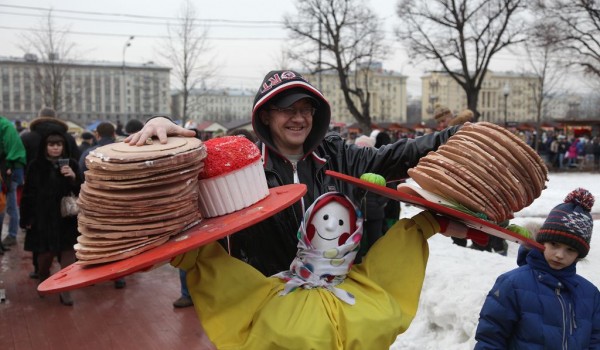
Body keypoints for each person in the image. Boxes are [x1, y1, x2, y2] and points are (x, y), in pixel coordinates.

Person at [126, 70, 461, 347]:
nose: (299, 118)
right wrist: (161, 121)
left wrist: (460, 134)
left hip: (339, 316)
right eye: (288, 109)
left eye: (306, 109)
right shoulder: (241, 166)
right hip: (272, 317)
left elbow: (404, 154)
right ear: (267, 115)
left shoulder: (341, 157)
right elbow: (184, 159)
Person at [171, 191, 483, 349]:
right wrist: (179, 249)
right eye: (324, 219)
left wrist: (441, 223)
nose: (332, 226)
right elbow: (225, 278)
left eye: (341, 222)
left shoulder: (367, 289)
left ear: (354, 233)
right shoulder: (270, 297)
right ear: (307, 227)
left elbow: (402, 245)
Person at [474, 188, 600, 348]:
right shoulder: (513, 284)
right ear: (542, 242)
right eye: (554, 244)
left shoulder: (590, 294)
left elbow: (596, 341)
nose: (560, 255)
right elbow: (491, 339)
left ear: (579, 255)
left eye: (570, 249)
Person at [19, 131, 82, 306]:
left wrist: (73, 177)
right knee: (45, 256)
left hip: (66, 217)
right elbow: (28, 193)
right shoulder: (35, 165)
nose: (55, 148)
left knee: (68, 254)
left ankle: (65, 290)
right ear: (45, 147)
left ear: (64, 146)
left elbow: (82, 191)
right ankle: (43, 276)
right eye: (51, 144)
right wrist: (27, 218)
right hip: (43, 217)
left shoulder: (72, 164)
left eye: (59, 144)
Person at [78, 122, 126, 289]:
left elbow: (81, 177)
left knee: (95, 238)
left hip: (94, 203)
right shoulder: (122, 151)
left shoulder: (88, 153)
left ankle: (92, 275)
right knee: (118, 240)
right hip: (119, 204)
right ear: (113, 134)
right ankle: (118, 275)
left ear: (97, 135)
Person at [0, 116, 27, 249]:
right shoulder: (5, 125)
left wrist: (9, 165)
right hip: (12, 167)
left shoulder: (4, 125)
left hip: (11, 169)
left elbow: (12, 149)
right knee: (9, 204)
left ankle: (11, 235)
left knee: (9, 205)